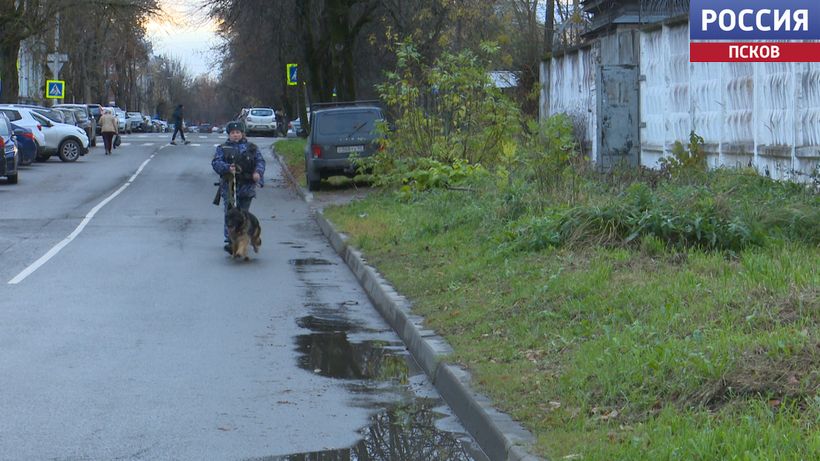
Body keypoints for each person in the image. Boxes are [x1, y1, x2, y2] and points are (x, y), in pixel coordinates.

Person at [212, 121, 266, 253]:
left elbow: (260, 162)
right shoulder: (222, 148)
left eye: (237, 133)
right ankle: (231, 241)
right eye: (232, 133)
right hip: (230, 187)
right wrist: (227, 168)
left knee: (243, 214)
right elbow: (216, 163)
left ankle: (243, 238)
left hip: (247, 187)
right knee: (230, 214)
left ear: (242, 133)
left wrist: (257, 173)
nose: (235, 135)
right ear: (229, 135)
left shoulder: (252, 148)